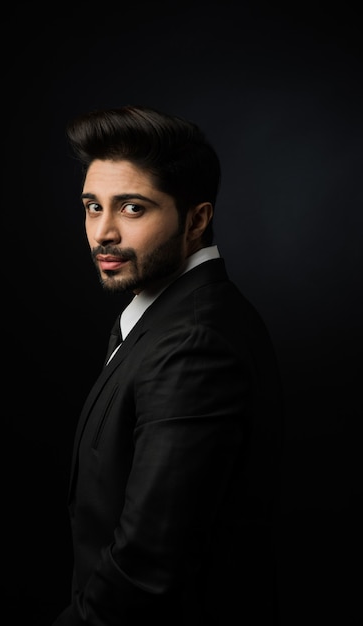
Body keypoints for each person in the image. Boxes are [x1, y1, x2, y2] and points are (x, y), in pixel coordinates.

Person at [53, 105, 283, 626]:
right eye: (93, 206)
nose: (103, 233)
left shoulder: (194, 343)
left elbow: (145, 568)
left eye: (132, 208)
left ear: (197, 219)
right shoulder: (158, 317)